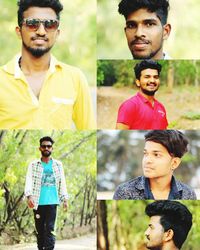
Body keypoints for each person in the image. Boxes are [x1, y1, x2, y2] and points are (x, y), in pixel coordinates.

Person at [0, 0, 95, 129]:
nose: (41, 31)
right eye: (32, 24)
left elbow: (88, 130)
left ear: (57, 33)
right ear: (19, 31)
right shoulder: (2, 79)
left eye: (50, 25)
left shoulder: (75, 78)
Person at [113, 130, 197, 200]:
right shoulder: (125, 192)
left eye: (156, 155)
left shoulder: (188, 194)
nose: (147, 160)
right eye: (145, 154)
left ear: (174, 163)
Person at [24, 136, 68, 250]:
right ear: (40, 148)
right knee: (40, 230)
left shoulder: (58, 165)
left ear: (52, 148)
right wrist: (29, 196)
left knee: (50, 229)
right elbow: (29, 180)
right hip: (38, 202)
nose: (46, 148)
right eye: (44, 146)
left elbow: (62, 182)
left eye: (49, 146)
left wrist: (65, 199)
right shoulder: (33, 165)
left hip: (52, 202)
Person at [116, 60, 168, 130]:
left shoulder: (161, 107)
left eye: (155, 77)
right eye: (147, 77)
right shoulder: (129, 106)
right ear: (138, 82)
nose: (152, 81)